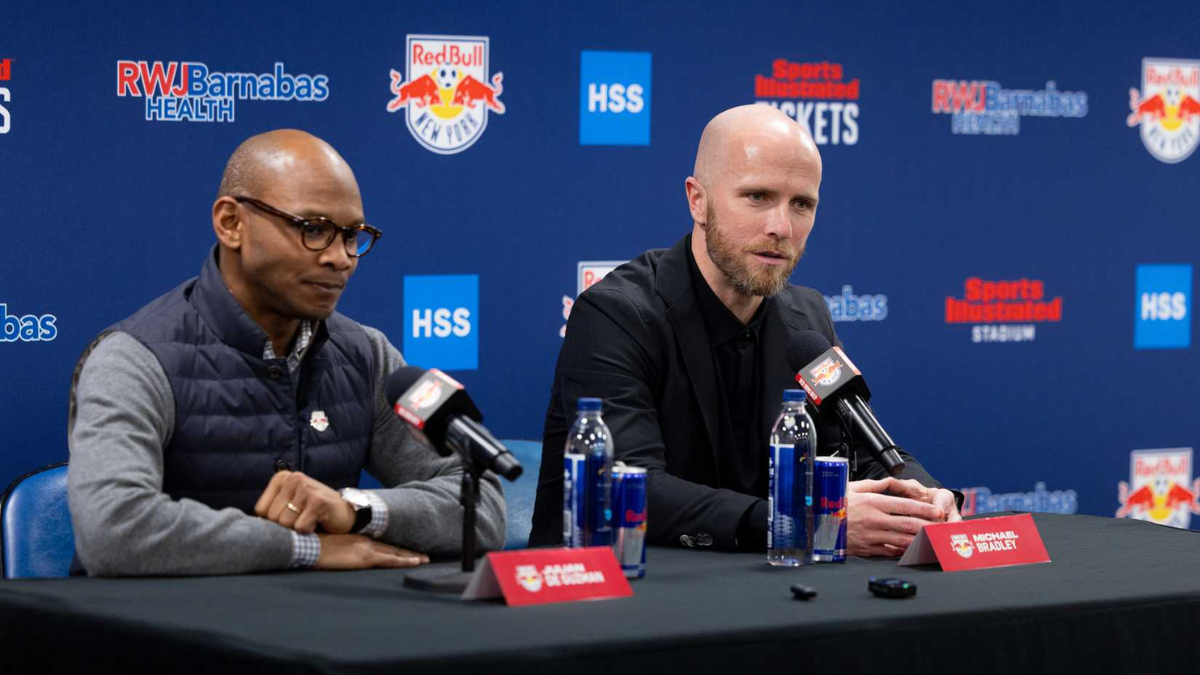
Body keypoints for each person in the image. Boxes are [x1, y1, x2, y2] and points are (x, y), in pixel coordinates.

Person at [67, 129, 505, 576]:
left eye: (353, 236)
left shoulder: (366, 354)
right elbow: (113, 529)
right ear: (231, 223)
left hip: (317, 633)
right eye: (313, 229)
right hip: (160, 638)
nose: (341, 258)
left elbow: (482, 508)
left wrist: (356, 509)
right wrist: (304, 548)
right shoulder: (134, 358)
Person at [530, 105, 959, 555]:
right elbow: (625, 490)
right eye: (757, 197)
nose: (781, 227)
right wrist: (805, 519)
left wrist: (930, 499)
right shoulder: (616, 313)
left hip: (765, 591)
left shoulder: (806, 317)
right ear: (698, 200)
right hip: (621, 596)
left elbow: (862, 450)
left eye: (802, 204)